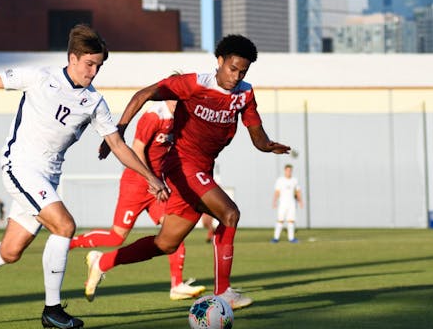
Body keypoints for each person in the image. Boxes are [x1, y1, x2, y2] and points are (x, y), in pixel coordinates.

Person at [0, 24, 169, 329]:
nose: (93, 72)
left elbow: (118, 144)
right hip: (20, 167)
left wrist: (150, 176)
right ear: (72, 57)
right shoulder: (40, 77)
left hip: (47, 178)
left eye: (99, 66)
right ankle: (52, 310)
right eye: (89, 64)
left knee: (10, 252)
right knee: (65, 225)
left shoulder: (94, 103)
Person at [85, 34, 291, 310]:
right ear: (219, 61)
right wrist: (118, 130)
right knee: (230, 214)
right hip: (181, 164)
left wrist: (268, 146)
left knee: (166, 244)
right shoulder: (193, 84)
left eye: (243, 71)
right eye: (232, 69)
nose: (236, 76)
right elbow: (143, 94)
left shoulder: (245, 94)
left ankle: (103, 261)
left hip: (201, 170)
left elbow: (257, 136)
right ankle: (224, 292)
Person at [70, 99, 206, 300]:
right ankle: (71, 244)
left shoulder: (180, 119)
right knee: (116, 237)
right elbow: (137, 149)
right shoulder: (153, 116)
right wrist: (149, 178)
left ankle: (176, 285)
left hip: (157, 187)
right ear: (170, 97)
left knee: (174, 231)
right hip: (137, 183)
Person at [271, 163, 304, 243]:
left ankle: (291, 238)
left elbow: (297, 192)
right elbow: (277, 192)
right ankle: (276, 238)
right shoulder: (280, 180)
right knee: (280, 220)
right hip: (282, 203)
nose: (289, 172)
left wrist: (300, 201)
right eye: (287, 170)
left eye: (290, 170)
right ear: (285, 171)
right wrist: (274, 201)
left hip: (292, 204)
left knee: (291, 221)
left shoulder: (294, 180)